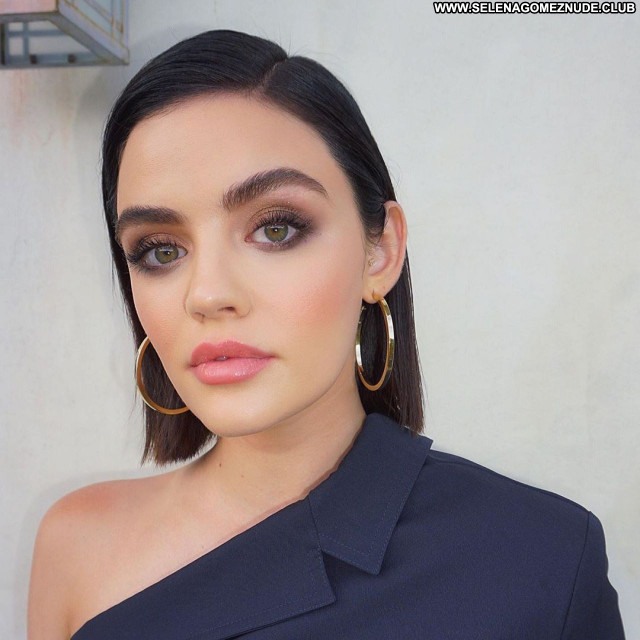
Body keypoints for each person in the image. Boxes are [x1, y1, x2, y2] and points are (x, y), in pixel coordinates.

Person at [27, 29, 625, 640]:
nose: (206, 294)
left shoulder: (542, 561)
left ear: (379, 251)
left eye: (276, 230)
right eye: (160, 250)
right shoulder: (75, 546)